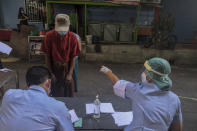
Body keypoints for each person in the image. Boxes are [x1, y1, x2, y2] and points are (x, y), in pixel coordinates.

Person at [100, 57, 182, 131]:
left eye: (146, 71)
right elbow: (177, 126)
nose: (143, 72)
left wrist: (109, 72)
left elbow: (118, 84)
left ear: (150, 76)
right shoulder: (175, 99)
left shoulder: (138, 90)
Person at [0, 66, 74, 131]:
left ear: (27, 83)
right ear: (48, 83)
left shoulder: (9, 94)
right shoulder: (58, 107)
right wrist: (64, 115)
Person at [41, 14, 80, 97]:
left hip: (68, 67)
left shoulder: (73, 37)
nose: (62, 32)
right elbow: (47, 56)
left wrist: (69, 73)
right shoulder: (49, 36)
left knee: (69, 91)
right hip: (54, 67)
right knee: (55, 92)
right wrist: (51, 73)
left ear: (69, 26)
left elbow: (73, 56)